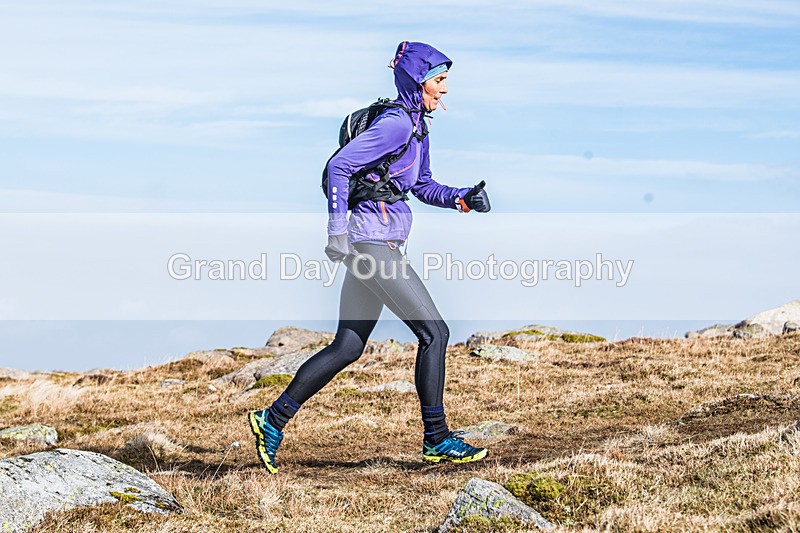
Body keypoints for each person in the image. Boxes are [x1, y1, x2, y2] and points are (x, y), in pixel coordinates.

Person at [248, 41, 492, 474]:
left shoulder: (418, 128)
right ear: (418, 81)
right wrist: (337, 233)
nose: (445, 89)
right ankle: (436, 438)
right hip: (369, 244)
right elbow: (339, 167)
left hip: (379, 242)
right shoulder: (397, 123)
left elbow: (422, 185)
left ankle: (272, 418)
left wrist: (461, 198)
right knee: (436, 332)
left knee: (347, 346)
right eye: (439, 80)